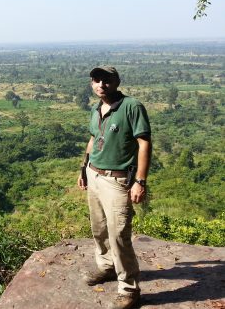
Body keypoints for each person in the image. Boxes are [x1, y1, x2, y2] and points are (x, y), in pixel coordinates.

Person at [77, 66, 151, 309]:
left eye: (107, 80)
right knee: (98, 229)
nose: (101, 84)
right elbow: (92, 140)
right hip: (95, 175)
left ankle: (129, 289)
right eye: (97, 80)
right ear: (92, 84)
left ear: (117, 81)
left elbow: (144, 143)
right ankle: (107, 267)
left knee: (119, 234)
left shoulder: (131, 106)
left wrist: (140, 181)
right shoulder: (96, 108)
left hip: (117, 180)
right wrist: (83, 169)